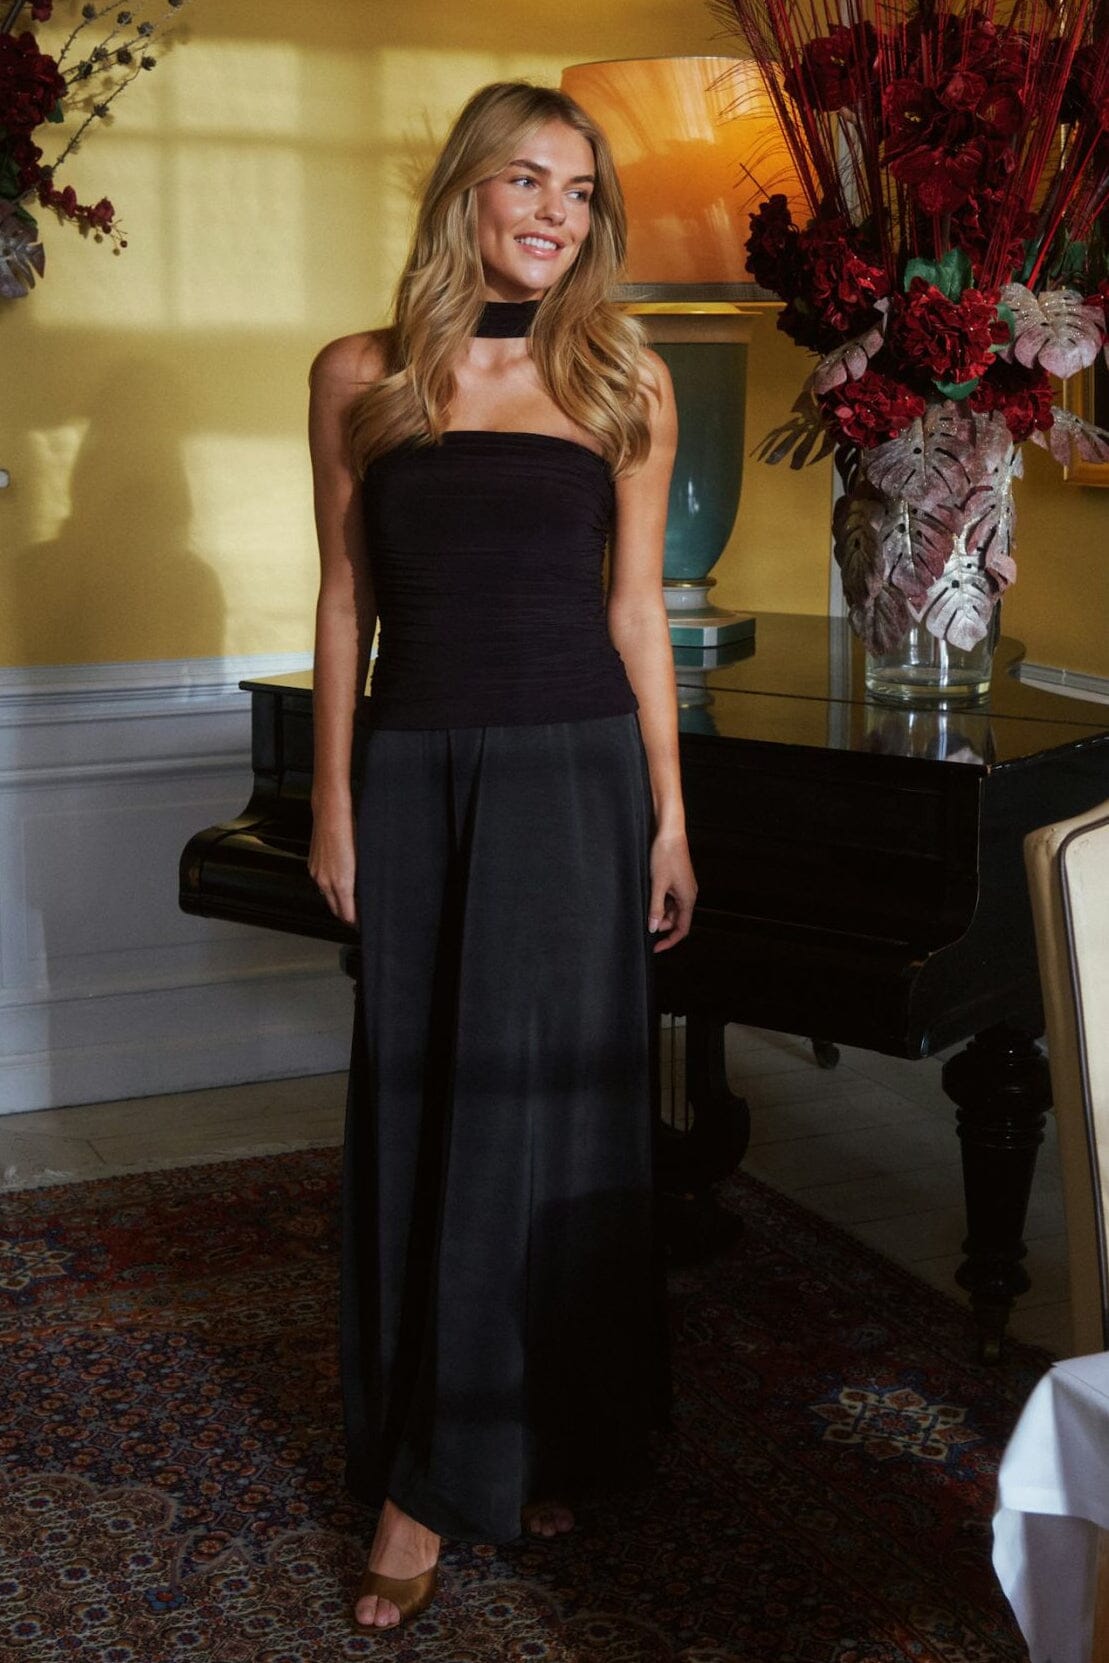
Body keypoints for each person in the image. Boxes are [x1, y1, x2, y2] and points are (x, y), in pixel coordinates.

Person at [306, 80, 696, 1633]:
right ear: (464, 190)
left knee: (556, 1113)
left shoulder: (621, 378)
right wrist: (333, 802)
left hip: (573, 775)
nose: (554, 214)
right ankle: (438, 1454)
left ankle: (510, 1450)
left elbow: (633, 609)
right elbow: (344, 599)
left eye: (579, 193)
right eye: (527, 180)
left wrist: (668, 813)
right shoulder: (360, 375)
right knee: (425, 1105)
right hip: (414, 775)